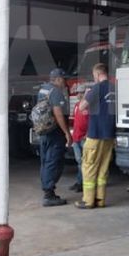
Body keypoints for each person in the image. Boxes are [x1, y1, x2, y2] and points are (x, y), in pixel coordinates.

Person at [76, 62, 116, 209]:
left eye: (94, 76)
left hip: (95, 134)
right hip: (110, 135)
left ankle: (88, 200)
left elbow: (81, 107)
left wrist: (86, 95)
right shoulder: (115, 89)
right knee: (103, 168)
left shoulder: (96, 89)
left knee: (89, 166)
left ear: (98, 74)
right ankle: (100, 199)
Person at [37, 68, 72, 206]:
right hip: (55, 132)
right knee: (54, 161)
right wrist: (66, 132)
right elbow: (58, 113)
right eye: (64, 79)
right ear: (57, 79)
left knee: (46, 161)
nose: (65, 82)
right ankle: (49, 194)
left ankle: (47, 189)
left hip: (44, 130)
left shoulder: (43, 89)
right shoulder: (56, 92)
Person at [69, 97, 88, 193]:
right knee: (79, 161)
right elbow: (74, 121)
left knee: (83, 162)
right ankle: (80, 182)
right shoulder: (77, 105)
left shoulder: (89, 106)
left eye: (82, 92)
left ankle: (81, 183)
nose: (80, 94)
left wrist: (88, 134)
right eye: (79, 92)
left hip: (84, 138)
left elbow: (93, 121)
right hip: (76, 137)